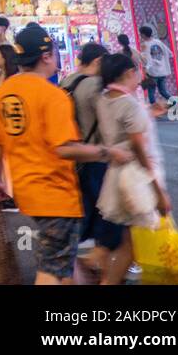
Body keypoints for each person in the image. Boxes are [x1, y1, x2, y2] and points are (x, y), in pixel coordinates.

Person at [0, 23, 129, 284]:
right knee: (52, 269)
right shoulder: (52, 96)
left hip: (26, 191)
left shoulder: (4, 92)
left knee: (62, 260)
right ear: (46, 56)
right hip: (56, 194)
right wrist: (107, 152)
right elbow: (64, 148)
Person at [95, 49, 172, 285]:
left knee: (129, 242)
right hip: (137, 180)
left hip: (117, 176)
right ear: (130, 72)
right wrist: (159, 193)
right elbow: (139, 149)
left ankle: (106, 279)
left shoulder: (105, 99)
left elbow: (124, 130)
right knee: (135, 246)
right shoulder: (130, 104)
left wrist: (148, 114)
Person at [62, 42, 123, 279]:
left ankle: (87, 259)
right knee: (107, 212)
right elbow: (110, 121)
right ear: (98, 61)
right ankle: (97, 260)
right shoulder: (97, 86)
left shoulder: (68, 81)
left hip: (76, 155)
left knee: (86, 208)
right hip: (98, 155)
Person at [136, 26, 174, 105]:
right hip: (163, 71)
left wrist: (145, 68)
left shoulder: (144, 45)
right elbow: (170, 54)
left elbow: (146, 60)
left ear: (143, 35)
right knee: (163, 91)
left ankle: (154, 109)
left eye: (140, 34)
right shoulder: (158, 42)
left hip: (152, 72)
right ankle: (176, 103)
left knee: (151, 92)